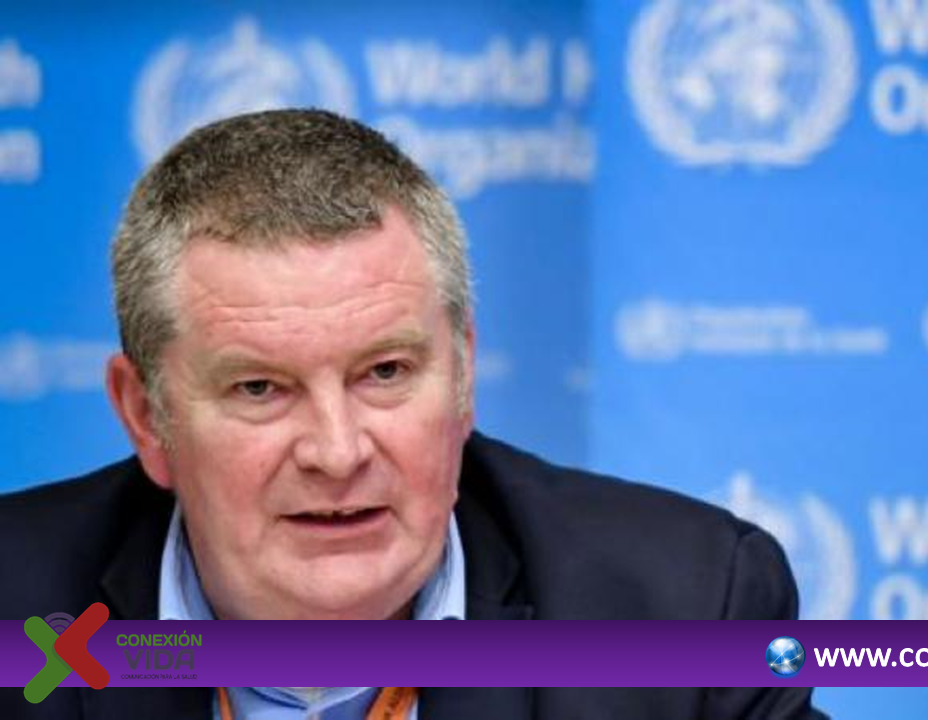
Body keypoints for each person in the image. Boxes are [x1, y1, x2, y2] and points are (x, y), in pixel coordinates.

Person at [0, 109, 824, 719]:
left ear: (462, 378)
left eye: (385, 373)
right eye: (260, 389)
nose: (336, 452)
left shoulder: (685, 613)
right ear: (147, 416)